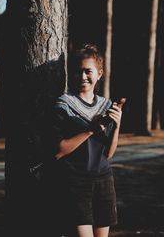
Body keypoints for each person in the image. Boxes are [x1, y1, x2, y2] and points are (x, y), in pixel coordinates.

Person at [46, 43, 123, 237]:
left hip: (104, 181)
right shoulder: (63, 106)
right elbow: (59, 150)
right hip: (76, 183)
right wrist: (90, 130)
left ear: (99, 73)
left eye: (88, 71)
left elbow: (109, 154)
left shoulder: (106, 105)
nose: (82, 77)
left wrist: (117, 124)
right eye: (77, 71)